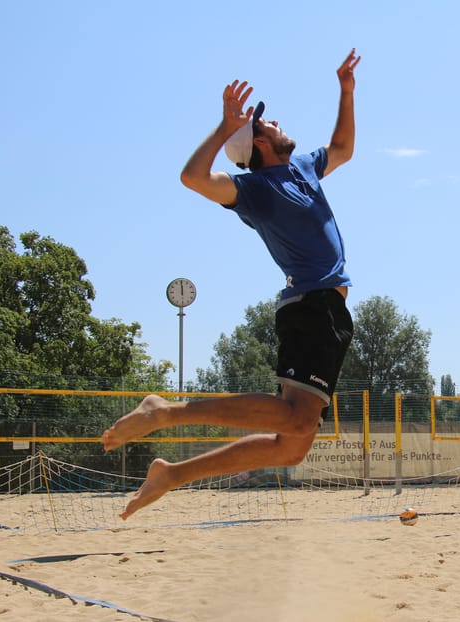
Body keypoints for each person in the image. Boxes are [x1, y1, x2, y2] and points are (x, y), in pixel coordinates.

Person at [101, 49, 361, 520]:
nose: (275, 121)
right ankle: (166, 412)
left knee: (292, 447)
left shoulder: (302, 167)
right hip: (312, 306)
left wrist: (345, 92)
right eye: (264, 124)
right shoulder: (255, 192)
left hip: (329, 309)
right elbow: (191, 177)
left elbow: (343, 148)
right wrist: (224, 129)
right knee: (296, 421)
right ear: (259, 145)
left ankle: (171, 474)